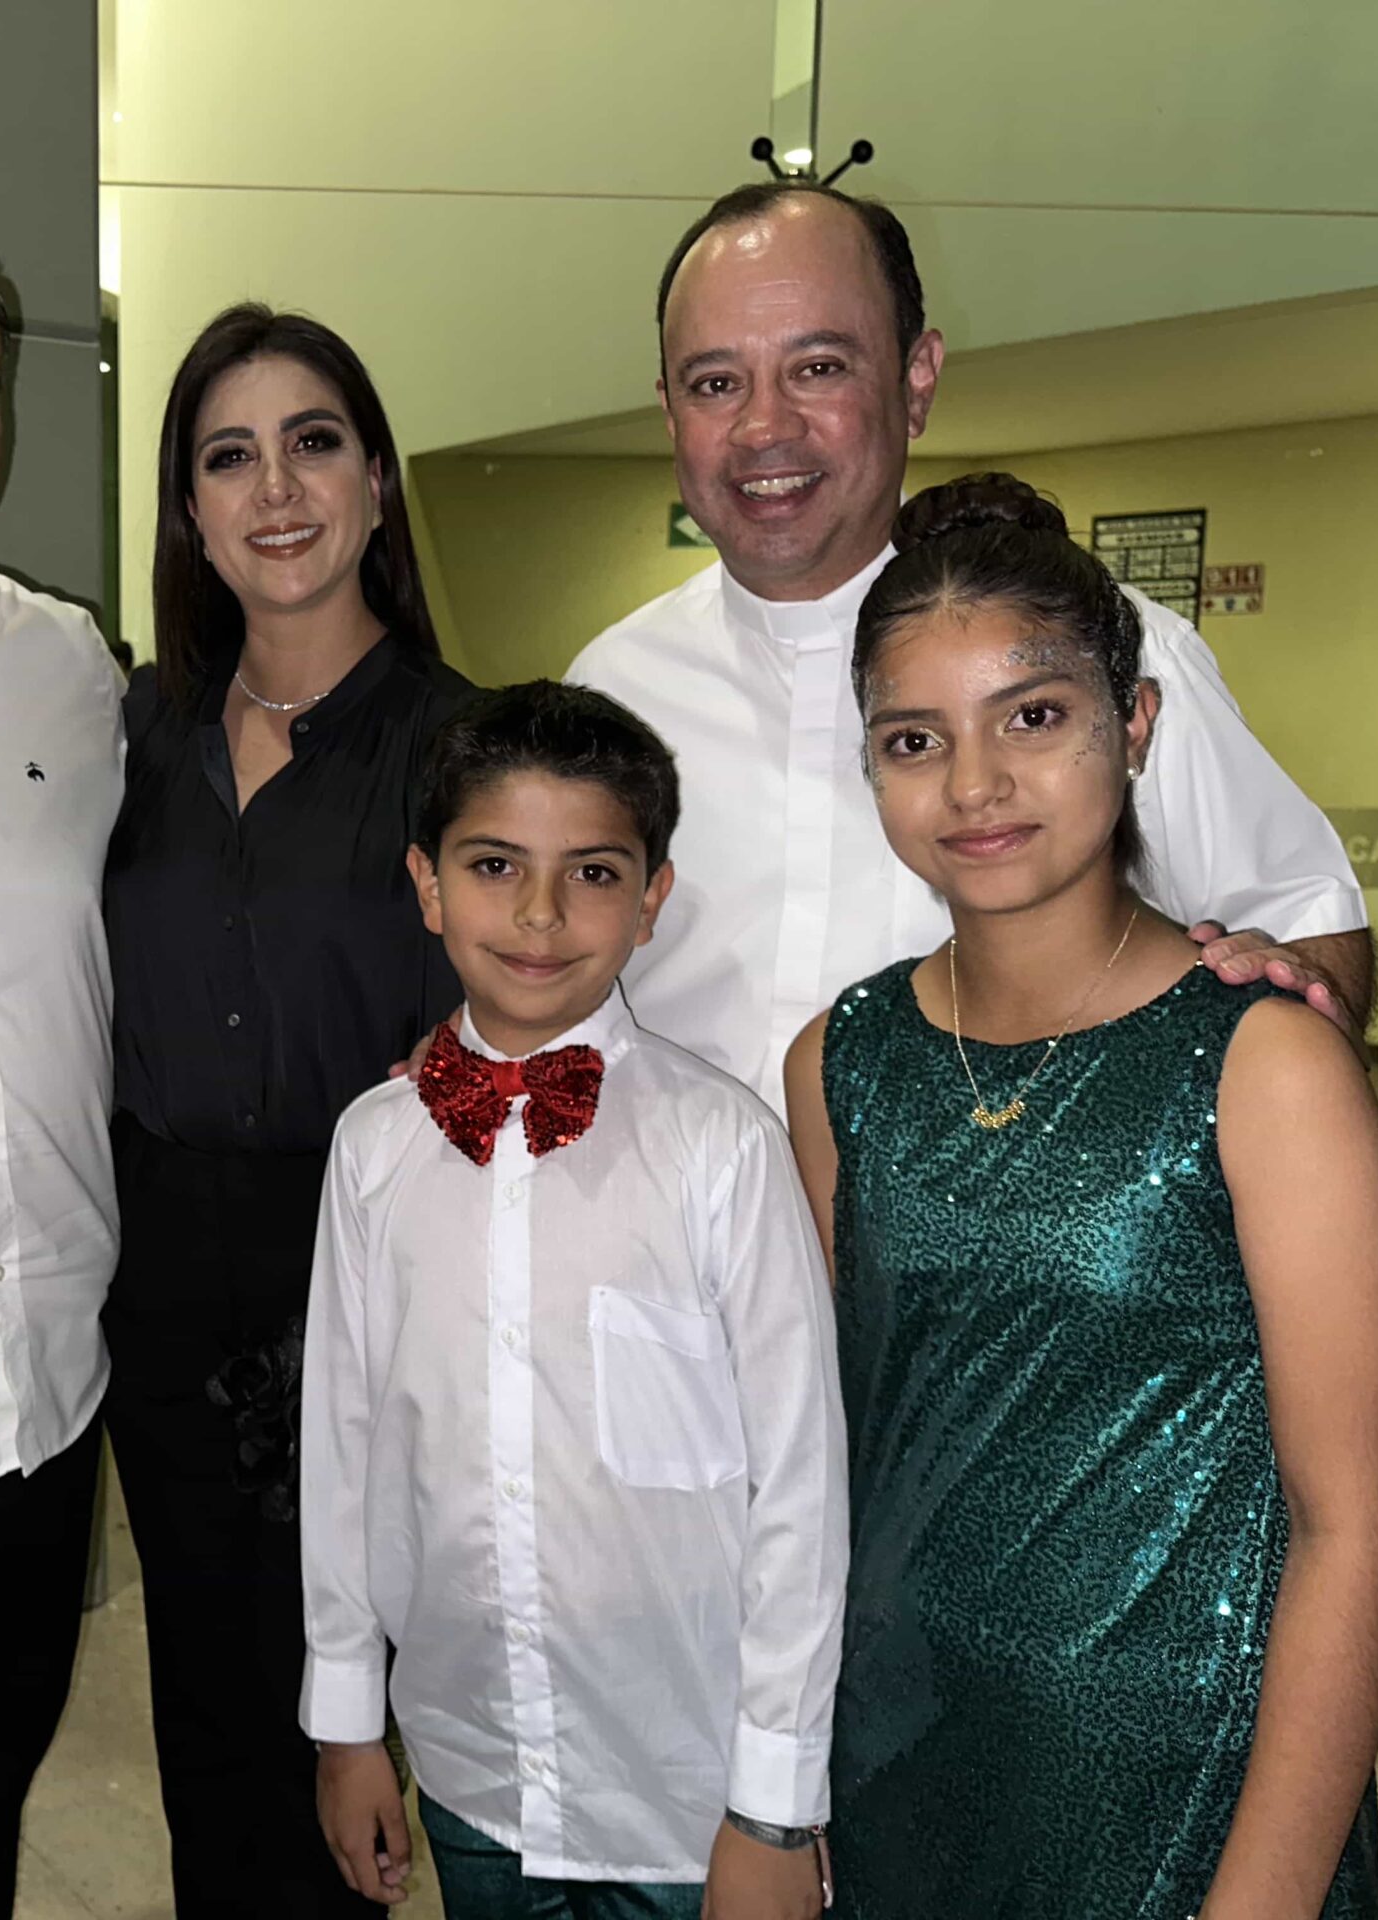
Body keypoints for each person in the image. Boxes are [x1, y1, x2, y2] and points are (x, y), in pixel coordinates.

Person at [782, 475, 1378, 1918]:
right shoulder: (838, 1063)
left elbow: (1357, 1533)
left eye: (1033, 716)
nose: (974, 785)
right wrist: (782, 1784)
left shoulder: (1263, 1065)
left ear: (1132, 725)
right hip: (902, 1765)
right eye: (913, 739)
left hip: (1190, 1798)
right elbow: (837, 1461)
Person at [567, 182, 1373, 1110]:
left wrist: (1281, 1009)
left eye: (818, 368)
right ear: (670, 411)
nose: (764, 428)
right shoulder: (610, 690)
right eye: (716, 383)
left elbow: (1307, 926)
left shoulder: (1100, 653)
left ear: (917, 381)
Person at [305, 682, 846, 1919]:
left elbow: (799, 1491)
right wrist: (345, 1724)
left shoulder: (722, 1146)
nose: (540, 914)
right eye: (493, 865)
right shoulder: (374, 1147)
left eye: (592, 873)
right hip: (470, 1761)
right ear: (427, 885)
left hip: (683, 1786)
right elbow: (343, 1447)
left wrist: (774, 1804)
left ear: (651, 900)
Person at [102, 303, 471, 1915]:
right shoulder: (135, 737)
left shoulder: (465, 747)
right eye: (228, 456)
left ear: (377, 482)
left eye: (313, 442)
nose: (275, 489)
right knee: (206, 1726)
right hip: (164, 1287)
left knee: (350, 1741)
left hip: (380, 1284)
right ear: (189, 510)